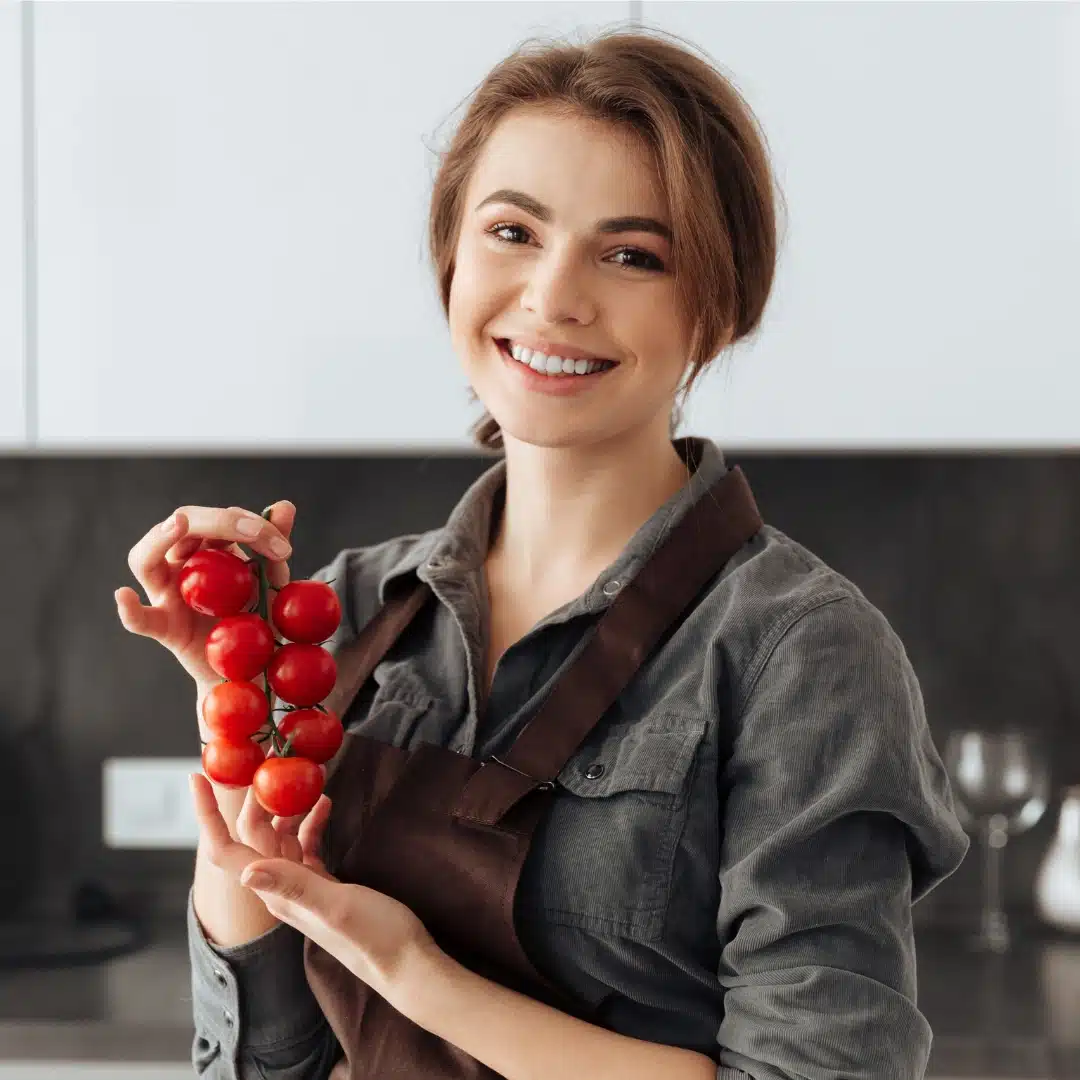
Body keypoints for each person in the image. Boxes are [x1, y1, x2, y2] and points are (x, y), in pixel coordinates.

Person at [116, 25, 970, 1080]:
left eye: (631, 255)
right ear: (452, 261)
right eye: (514, 231)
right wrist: (242, 753)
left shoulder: (801, 655)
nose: (555, 296)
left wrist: (420, 975)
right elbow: (262, 1068)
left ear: (715, 307)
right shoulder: (340, 615)